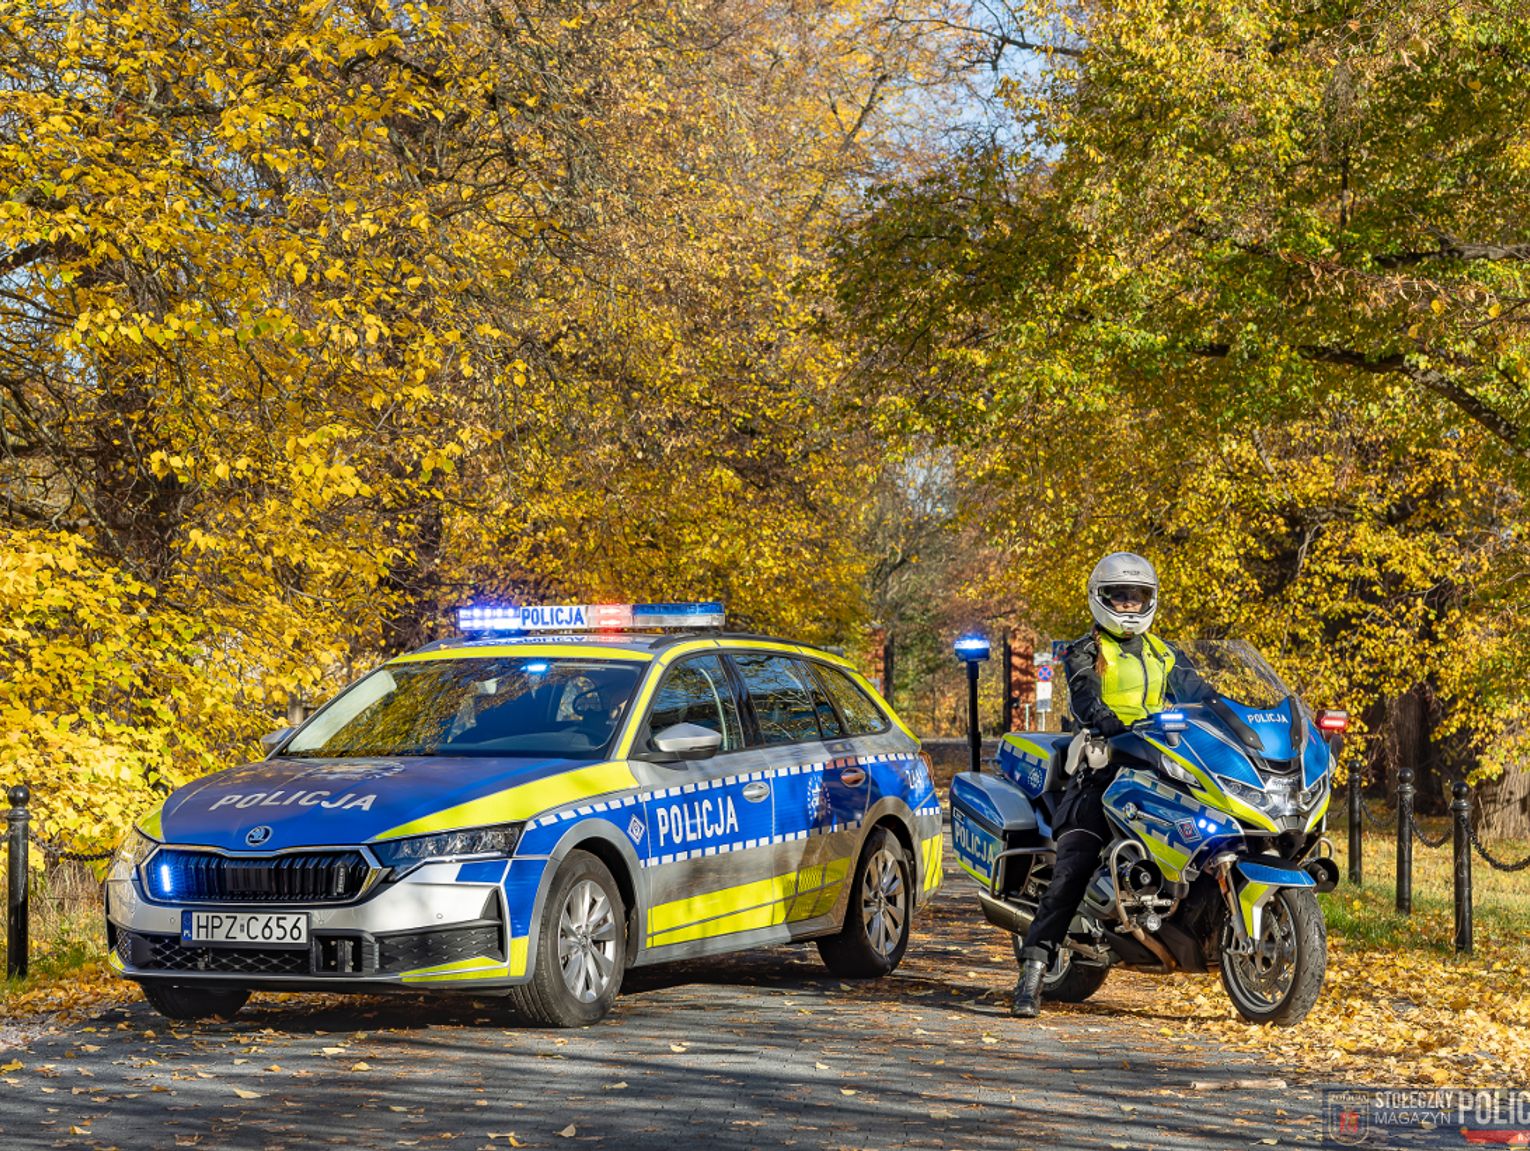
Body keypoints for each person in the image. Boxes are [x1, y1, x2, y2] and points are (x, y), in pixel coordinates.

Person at [1011, 551, 1213, 1018]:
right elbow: (1087, 701)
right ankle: (1034, 969)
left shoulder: (1165, 653)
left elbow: (1204, 695)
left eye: (1136, 596)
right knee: (1076, 863)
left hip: (1162, 768)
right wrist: (1115, 727)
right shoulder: (1086, 650)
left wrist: (1236, 717)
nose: (1127, 606)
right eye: (1118, 597)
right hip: (1104, 769)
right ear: (1100, 600)